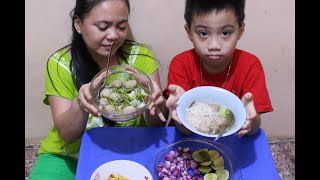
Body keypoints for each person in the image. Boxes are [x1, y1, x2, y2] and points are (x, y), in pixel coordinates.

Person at [28, 0, 168, 179]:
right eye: (103, 27)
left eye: (122, 26)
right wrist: (80, 104)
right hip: (69, 155)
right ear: (78, 24)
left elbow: (156, 124)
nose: (113, 36)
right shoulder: (60, 64)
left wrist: (156, 103)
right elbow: (67, 135)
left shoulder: (140, 57)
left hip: (129, 146)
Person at [164, 0, 273, 137]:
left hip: (232, 142)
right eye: (203, 33)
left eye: (225, 33)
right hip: (186, 140)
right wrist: (178, 111)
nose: (214, 45)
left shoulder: (251, 65)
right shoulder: (181, 63)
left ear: (240, 30)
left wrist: (251, 121)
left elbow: (253, 129)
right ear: (189, 32)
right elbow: (184, 130)